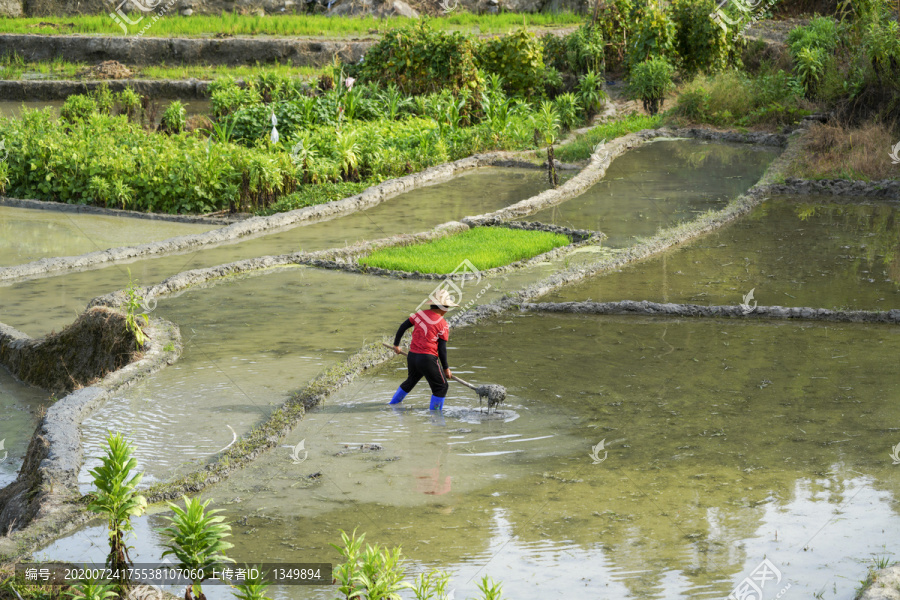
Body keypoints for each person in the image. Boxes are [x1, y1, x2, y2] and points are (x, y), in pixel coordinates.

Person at [389, 289, 459, 411]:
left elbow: (402, 327)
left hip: (412, 356)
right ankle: (436, 417)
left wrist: (396, 345)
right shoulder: (442, 324)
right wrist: (446, 368)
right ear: (442, 307)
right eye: (447, 307)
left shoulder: (419, 315)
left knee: (410, 381)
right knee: (441, 387)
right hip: (427, 358)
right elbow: (442, 349)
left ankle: (392, 404)